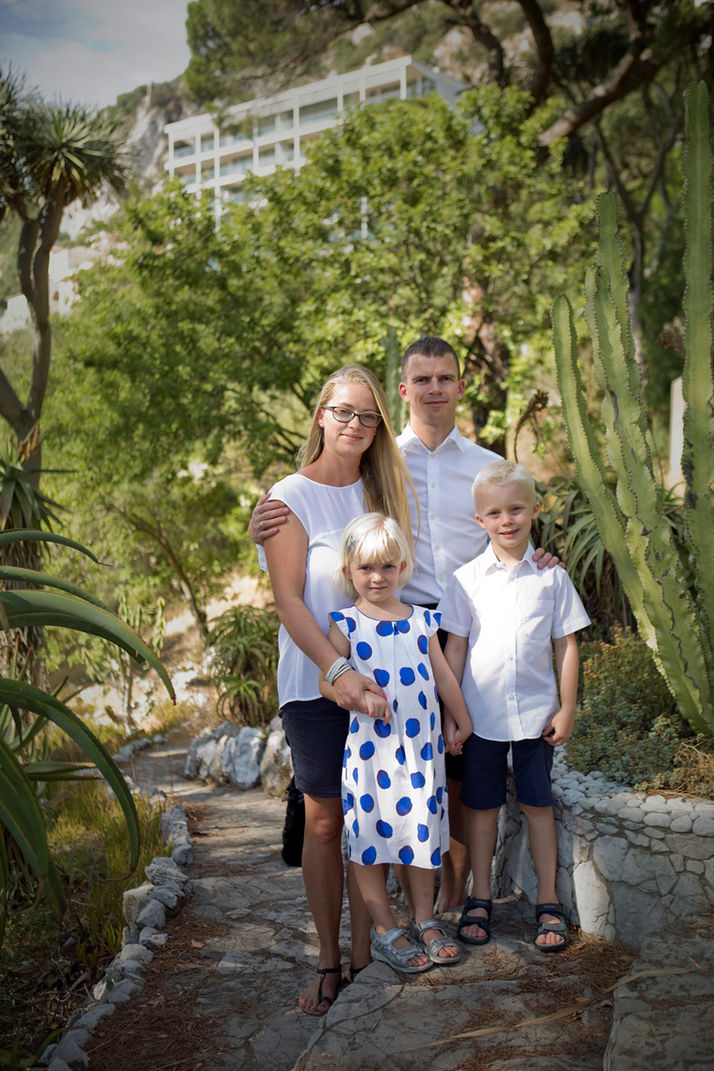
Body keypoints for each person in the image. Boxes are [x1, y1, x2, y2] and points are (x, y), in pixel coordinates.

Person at [262, 365, 414, 1015]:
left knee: (372, 821)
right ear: (321, 415)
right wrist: (337, 672)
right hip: (314, 685)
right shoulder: (288, 496)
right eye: (343, 411)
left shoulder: (385, 493)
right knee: (325, 823)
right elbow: (289, 602)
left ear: (379, 427)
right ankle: (328, 962)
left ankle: (364, 958)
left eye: (367, 415)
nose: (355, 424)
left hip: (382, 685)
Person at [437, 460, 590, 952]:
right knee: (481, 809)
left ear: (535, 510)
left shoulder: (552, 578)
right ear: (479, 519)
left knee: (538, 807)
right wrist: (452, 717)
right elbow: (454, 651)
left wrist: (567, 707)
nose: (506, 520)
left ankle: (548, 901)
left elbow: (567, 645)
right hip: (480, 719)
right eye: (495, 512)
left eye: (516, 509)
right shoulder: (465, 581)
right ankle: (480, 896)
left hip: (536, 718)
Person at [319, 512, 473, 972]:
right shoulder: (347, 624)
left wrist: (460, 720)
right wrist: (355, 695)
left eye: (387, 566)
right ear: (348, 571)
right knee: (369, 837)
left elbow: (443, 677)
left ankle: (424, 919)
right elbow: (326, 682)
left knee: (419, 831)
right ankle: (386, 928)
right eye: (366, 567)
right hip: (372, 755)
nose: (377, 577)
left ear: (402, 567)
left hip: (421, 752)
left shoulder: (422, 622)